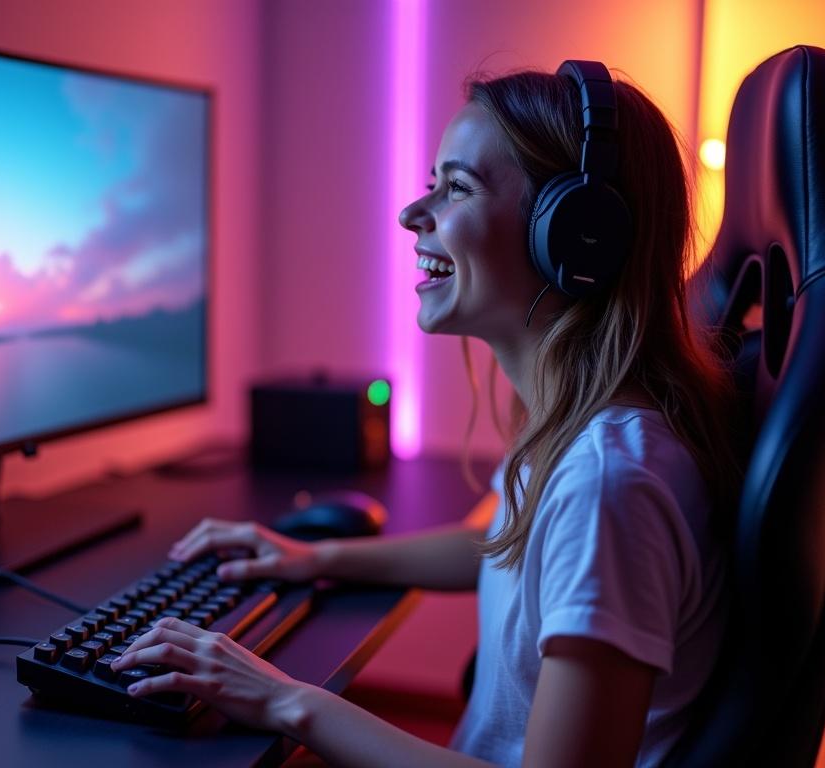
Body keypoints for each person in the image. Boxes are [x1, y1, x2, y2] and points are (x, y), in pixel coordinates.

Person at [108, 62, 739, 767]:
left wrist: (284, 699)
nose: (413, 214)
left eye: (457, 187)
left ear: (573, 238)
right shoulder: (583, 430)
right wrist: (316, 556)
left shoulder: (607, 485)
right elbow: (505, 543)